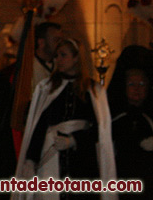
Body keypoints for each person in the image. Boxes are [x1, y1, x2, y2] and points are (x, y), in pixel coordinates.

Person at [14, 38, 116, 200]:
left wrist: (74, 140)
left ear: (76, 58)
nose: (58, 60)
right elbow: (39, 125)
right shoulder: (47, 88)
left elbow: (99, 129)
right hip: (51, 156)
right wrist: (31, 159)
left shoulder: (92, 90)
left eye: (63, 55)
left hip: (82, 161)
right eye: (56, 56)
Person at [111, 68, 153, 198]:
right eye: (131, 84)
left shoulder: (149, 116)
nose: (136, 88)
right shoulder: (116, 117)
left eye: (141, 84)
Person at [32, 22, 63, 91]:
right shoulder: (30, 68)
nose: (60, 45)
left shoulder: (61, 65)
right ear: (41, 43)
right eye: (56, 40)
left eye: (61, 40)